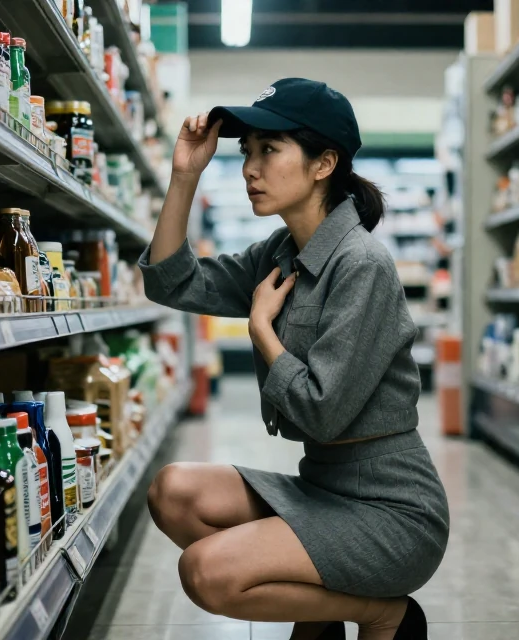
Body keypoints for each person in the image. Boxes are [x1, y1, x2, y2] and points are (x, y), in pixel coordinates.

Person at [139, 78, 449, 639]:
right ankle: (321, 605)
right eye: (246, 152)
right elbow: (171, 282)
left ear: (324, 162)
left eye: (269, 150)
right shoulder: (281, 254)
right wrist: (185, 174)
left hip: (391, 510)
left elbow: (322, 413)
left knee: (207, 573)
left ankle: (385, 613)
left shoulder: (362, 265)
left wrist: (262, 330)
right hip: (321, 486)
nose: (249, 169)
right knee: (172, 491)